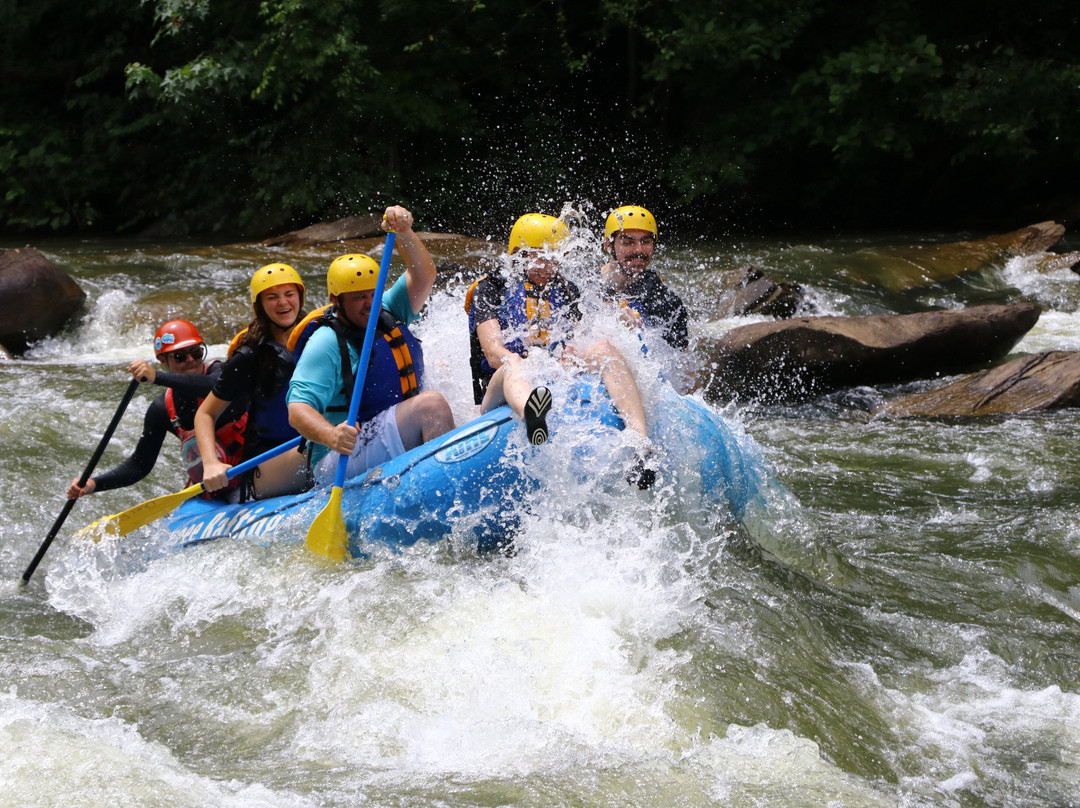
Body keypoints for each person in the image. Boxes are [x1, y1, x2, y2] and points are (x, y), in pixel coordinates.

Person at [467, 212, 657, 488]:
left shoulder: (567, 290)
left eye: (555, 256)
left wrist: (576, 351)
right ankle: (532, 416)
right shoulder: (492, 288)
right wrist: (526, 359)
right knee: (514, 364)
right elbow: (493, 352)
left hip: (549, 376)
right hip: (500, 389)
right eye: (540, 257)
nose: (549, 265)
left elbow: (578, 339)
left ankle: (640, 444)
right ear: (518, 254)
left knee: (604, 350)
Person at [287, 204, 455, 484]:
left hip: (387, 429)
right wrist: (331, 435)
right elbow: (297, 408)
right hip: (340, 454)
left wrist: (404, 232)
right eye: (357, 298)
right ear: (335, 299)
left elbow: (424, 275)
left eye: (372, 293)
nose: (369, 304)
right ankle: (445, 487)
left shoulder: (388, 309)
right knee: (431, 406)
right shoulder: (326, 342)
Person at [66, 320, 247, 500]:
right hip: (215, 487)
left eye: (196, 352)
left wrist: (157, 377)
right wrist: (94, 484)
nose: (191, 360)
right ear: (162, 360)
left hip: (255, 472)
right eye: (180, 356)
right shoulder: (162, 409)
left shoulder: (220, 373)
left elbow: (214, 387)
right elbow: (139, 464)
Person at [195, 263, 312, 500]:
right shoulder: (249, 356)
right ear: (260, 305)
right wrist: (210, 464)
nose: (283, 303)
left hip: (315, 443)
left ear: (300, 297)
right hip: (267, 463)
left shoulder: (320, 338)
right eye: (272, 297)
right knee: (331, 446)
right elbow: (205, 414)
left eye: (289, 294)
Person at [600, 205, 689, 351]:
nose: (638, 250)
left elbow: (683, 366)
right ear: (608, 245)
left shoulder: (666, 302)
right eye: (628, 242)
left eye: (645, 242)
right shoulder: (582, 286)